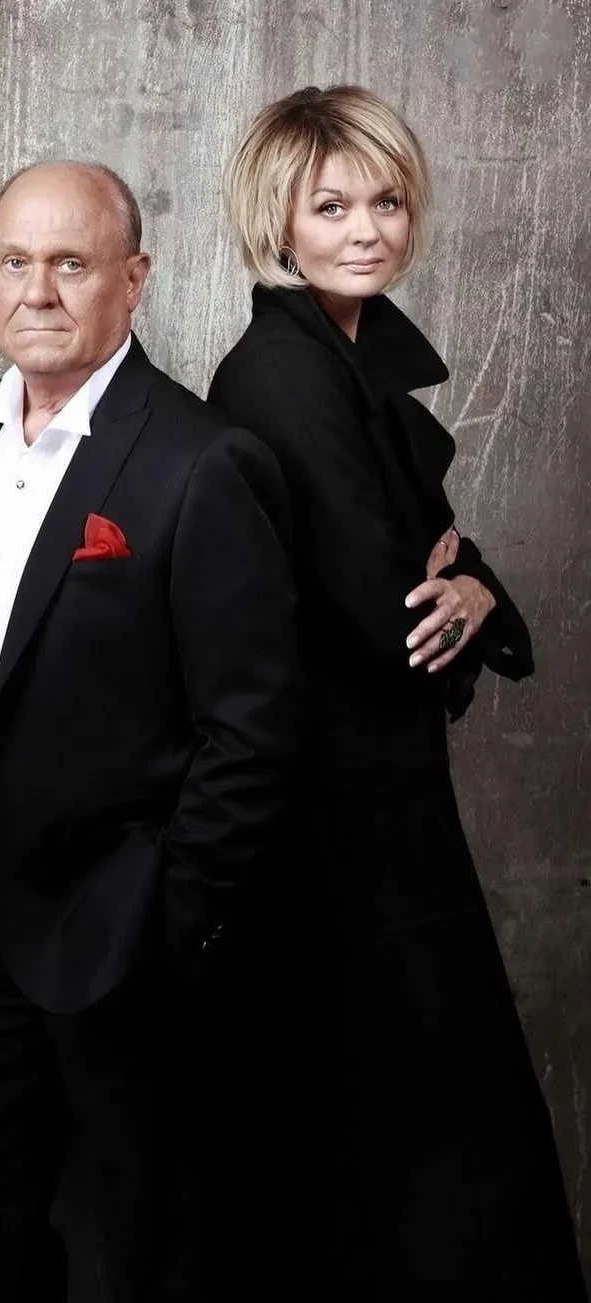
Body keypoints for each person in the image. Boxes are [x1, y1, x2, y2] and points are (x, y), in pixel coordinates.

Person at [0, 160, 299, 1301]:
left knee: (158, 1241)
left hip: (112, 919)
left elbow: (251, 730)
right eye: (15, 262)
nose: (38, 291)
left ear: (133, 279)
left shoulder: (200, 458)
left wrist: (171, 911)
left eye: (70, 262)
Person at [208, 85, 585, 1300]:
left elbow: (431, 585)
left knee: (420, 1120)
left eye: (386, 201)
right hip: (328, 811)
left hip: (375, 793)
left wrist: (468, 583)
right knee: (396, 1125)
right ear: (279, 219)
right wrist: (452, 581)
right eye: (331, 207)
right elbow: (390, 616)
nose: (367, 229)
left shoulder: (345, 359)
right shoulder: (284, 373)